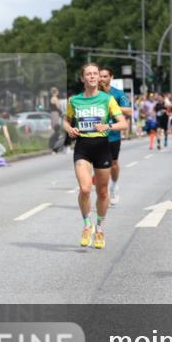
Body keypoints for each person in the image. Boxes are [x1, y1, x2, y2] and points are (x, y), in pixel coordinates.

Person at [63, 62, 127, 250]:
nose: (92, 76)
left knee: (102, 192)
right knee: (84, 189)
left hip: (102, 147)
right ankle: (87, 225)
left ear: (99, 77)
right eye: (88, 74)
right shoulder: (74, 101)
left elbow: (122, 123)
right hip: (82, 146)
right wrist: (70, 129)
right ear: (83, 78)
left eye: (95, 74)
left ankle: (99, 228)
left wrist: (108, 126)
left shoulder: (107, 99)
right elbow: (66, 121)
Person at [98, 67, 132, 205]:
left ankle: (115, 184)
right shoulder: (93, 94)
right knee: (97, 165)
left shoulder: (118, 94)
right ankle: (102, 193)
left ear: (111, 77)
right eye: (100, 76)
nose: (102, 79)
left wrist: (112, 107)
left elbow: (129, 110)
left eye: (105, 76)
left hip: (113, 135)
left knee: (113, 164)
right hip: (96, 135)